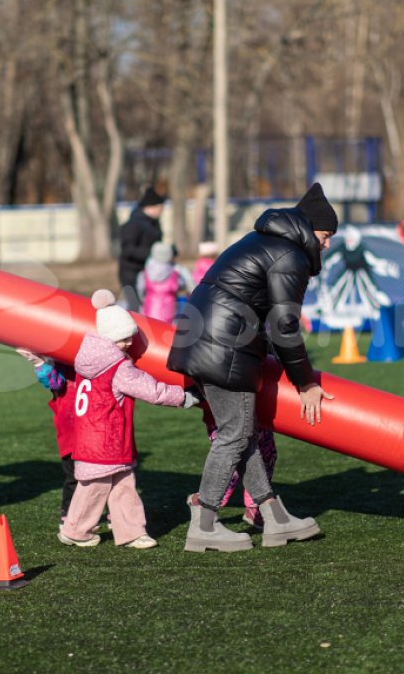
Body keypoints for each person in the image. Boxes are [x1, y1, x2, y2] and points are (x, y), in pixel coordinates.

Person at [167, 182, 337, 552]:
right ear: (309, 229)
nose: (326, 245)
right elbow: (285, 325)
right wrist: (305, 383)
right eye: (325, 236)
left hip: (206, 340)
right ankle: (205, 521)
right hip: (224, 348)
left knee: (244, 433)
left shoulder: (262, 241)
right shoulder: (288, 256)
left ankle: (274, 517)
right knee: (235, 435)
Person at [59, 289, 199, 549]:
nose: (127, 344)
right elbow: (151, 390)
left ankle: (131, 531)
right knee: (95, 488)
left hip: (93, 438)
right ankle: (75, 530)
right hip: (106, 440)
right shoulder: (118, 368)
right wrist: (184, 397)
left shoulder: (86, 360)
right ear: (110, 338)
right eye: (123, 339)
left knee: (123, 484)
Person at [16, 348, 79, 522]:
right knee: (75, 475)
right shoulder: (59, 359)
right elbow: (54, 383)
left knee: (109, 473)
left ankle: (116, 513)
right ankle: (70, 516)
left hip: (98, 427)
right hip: (71, 428)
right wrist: (39, 363)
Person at [202, 406, 277, 529]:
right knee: (231, 465)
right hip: (225, 413)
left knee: (266, 455)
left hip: (256, 410)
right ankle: (203, 507)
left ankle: (255, 507)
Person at [118, 186, 166, 310]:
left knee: (148, 306)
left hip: (149, 271)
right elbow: (128, 250)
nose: (162, 211)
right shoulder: (133, 224)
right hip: (131, 273)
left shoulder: (154, 224)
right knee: (135, 306)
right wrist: (152, 254)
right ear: (151, 207)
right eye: (160, 207)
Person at [136, 241, 195, 323]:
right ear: (169, 254)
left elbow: (140, 291)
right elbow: (190, 286)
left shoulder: (145, 272)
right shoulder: (176, 271)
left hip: (148, 312)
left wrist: (143, 301)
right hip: (169, 314)